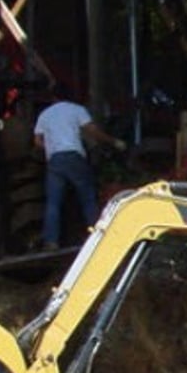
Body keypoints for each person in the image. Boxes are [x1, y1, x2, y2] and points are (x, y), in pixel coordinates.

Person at [33, 82, 126, 250]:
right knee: (87, 198)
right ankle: (97, 237)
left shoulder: (45, 114)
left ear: (53, 97)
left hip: (55, 160)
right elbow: (92, 131)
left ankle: (51, 242)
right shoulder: (77, 110)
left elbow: (38, 141)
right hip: (74, 157)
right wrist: (114, 142)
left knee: (53, 203)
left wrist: (52, 147)